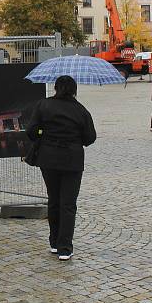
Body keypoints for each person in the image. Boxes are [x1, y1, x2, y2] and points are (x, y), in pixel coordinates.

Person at [26, 75, 96, 261]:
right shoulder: (81, 110)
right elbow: (90, 138)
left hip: (48, 159)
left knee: (54, 200)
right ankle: (65, 247)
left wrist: (44, 135)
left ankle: (54, 242)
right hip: (72, 160)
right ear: (74, 90)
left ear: (56, 88)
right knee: (68, 204)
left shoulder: (43, 105)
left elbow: (31, 131)